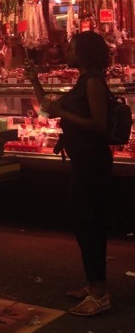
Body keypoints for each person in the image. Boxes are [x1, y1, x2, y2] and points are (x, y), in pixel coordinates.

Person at [25, 31, 113, 317]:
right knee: (84, 223)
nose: (68, 50)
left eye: (73, 47)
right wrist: (35, 80)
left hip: (93, 163)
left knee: (90, 224)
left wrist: (65, 113)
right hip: (83, 161)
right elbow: (49, 110)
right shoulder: (82, 81)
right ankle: (93, 283)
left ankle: (99, 293)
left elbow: (98, 124)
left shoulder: (94, 82)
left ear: (84, 53)